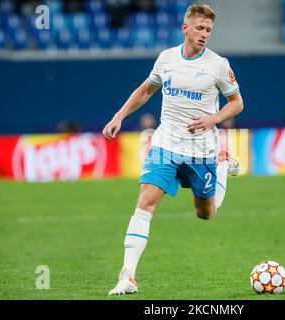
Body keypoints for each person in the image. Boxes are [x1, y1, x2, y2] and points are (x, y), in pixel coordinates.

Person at [102, 4, 244, 295]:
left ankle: (221, 165)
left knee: (206, 213)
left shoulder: (218, 64)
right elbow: (144, 91)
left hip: (202, 150)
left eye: (209, 30)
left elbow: (237, 103)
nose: (205, 34)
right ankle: (127, 276)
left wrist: (213, 119)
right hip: (166, 144)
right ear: (185, 28)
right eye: (200, 28)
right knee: (145, 200)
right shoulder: (166, 59)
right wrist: (118, 117)